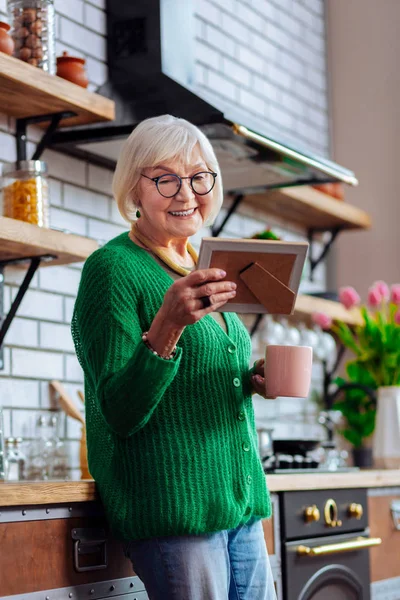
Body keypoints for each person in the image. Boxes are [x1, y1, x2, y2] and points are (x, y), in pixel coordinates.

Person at [71, 114, 276, 600]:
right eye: (165, 178)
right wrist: (167, 325)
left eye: (199, 176)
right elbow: (117, 410)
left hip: (239, 506)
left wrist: (250, 379)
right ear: (134, 190)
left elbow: (193, 382)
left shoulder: (203, 265)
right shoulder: (113, 268)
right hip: (176, 512)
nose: (187, 193)